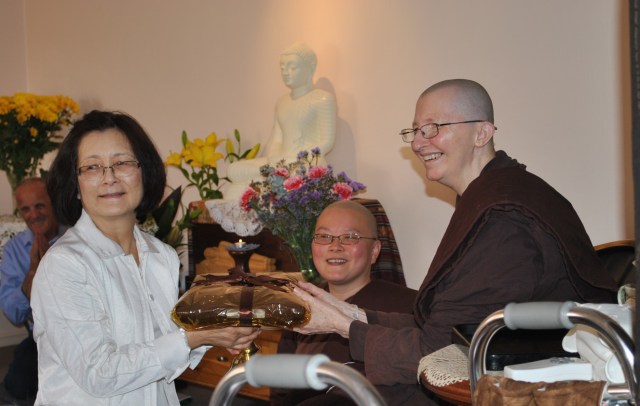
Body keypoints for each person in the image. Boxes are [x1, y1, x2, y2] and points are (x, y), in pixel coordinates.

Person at [293, 79, 617, 405]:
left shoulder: (504, 217)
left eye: (433, 128)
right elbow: (449, 327)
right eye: (415, 131)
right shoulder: (492, 196)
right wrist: (350, 315)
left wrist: (343, 326)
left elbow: (443, 350)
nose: (419, 143)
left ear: (482, 133)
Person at [30, 110, 260, 405]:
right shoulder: (64, 265)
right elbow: (99, 374)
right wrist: (193, 339)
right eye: (92, 167)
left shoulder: (160, 255)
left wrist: (216, 331)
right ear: (75, 185)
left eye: (122, 162)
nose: (109, 177)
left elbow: (159, 354)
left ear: (144, 172)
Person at [271, 200, 417, 405]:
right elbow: (280, 390)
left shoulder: (408, 306)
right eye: (324, 236)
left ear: (374, 251)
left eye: (350, 237)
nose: (335, 247)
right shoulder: (301, 304)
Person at [224, 42, 337, 201]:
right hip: (280, 162)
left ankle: (269, 181)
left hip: (304, 164)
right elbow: (277, 139)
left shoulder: (322, 99)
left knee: (296, 170)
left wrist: (296, 158)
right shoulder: (282, 102)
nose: (286, 72)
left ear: (311, 67)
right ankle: (268, 180)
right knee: (234, 169)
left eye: (292, 67)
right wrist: (275, 157)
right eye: (282, 68)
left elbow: (327, 141)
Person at [0, 178, 65, 402]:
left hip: (81, 332)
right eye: (25, 209)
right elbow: (14, 313)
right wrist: (33, 274)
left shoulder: (75, 238)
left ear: (53, 202)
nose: (33, 215)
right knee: (17, 387)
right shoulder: (14, 250)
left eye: (39, 206)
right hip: (41, 337)